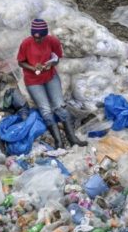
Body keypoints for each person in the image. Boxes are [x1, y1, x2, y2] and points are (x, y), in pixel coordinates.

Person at [17, 18, 86, 150]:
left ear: (45, 34)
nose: (37, 40)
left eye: (40, 37)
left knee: (60, 106)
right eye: (35, 37)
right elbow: (21, 62)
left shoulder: (52, 41)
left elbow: (57, 57)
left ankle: (73, 139)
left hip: (50, 76)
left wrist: (51, 64)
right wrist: (33, 68)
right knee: (45, 109)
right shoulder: (26, 43)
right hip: (33, 80)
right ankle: (58, 141)